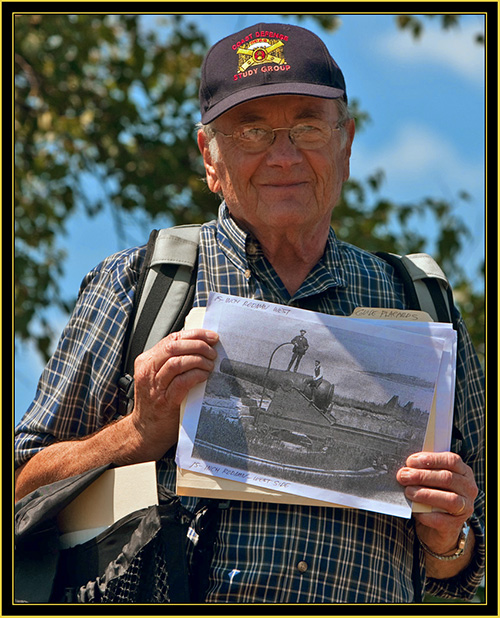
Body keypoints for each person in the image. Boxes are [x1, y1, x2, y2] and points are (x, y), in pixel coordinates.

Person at [15, 22, 484, 603]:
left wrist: (447, 538)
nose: (283, 155)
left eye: (307, 127)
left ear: (347, 144)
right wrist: (136, 434)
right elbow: (19, 490)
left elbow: (473, 568)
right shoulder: (140, 284)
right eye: (252, 131)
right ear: (208, 156)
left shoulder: (421, 305)